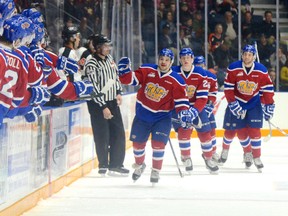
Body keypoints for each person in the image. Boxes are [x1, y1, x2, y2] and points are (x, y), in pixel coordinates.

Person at [117, 48, 191, 184]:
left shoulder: (177, 80)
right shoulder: (147, 70)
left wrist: (184, 113)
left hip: (162, 118)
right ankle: (140, 165)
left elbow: (181, 102)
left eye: (167, 60)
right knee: (138, 146)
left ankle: (156, 170)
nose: (163, 62)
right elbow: (131, 80)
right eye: (162, 59)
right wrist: (124, 72)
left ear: (171, 62)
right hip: (142, 115)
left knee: (158, 145)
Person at [221, 44, 275, 172]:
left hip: (253, 102)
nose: (247, 57)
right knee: (240, 131)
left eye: (249, 55)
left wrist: (269, 105)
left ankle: (257, 157)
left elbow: (267, 88)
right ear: (242, 55)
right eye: (245, 54)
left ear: (254, 56)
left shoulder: (261, 70)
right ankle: (245, 152)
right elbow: (228, 88)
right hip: (238, 102)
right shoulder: (234, 68)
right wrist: (233, 103)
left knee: (255, 131)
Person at [83, 34, 129, 176]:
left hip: (112, 101)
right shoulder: (91, 63)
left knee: (118, 133)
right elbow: (93, 86)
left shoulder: (109, 58)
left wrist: (119, 92)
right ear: (97, 48)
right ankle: (103, 164)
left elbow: (115, 76)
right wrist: (103, 106)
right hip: (97, 104)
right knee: (102, 134)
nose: (108, 48)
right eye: (105, 46)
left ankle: (116, 164)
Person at [171, 48, 219, 174]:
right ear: (180, 60)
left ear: (192, 59)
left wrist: (194, 111)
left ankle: (208, 158)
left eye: (188, 57)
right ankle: (186, 157)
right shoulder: (174, 72)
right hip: (179, 107)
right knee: (183, 133)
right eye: (183, 57)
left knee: (205, 133)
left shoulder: (200, 73)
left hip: (197, 107)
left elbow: (203, 97)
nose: (186, 60)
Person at [194, 56, 219, 161]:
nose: (199, 67)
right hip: (192, 108)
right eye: (197, 65)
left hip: (206, 107)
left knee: (211, 130)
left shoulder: (211, 77)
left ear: (204, 65)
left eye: (201, 65)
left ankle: (212, 151)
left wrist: (210, 103)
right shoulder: (190, 75)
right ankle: (185, 155)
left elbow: (213, 93)